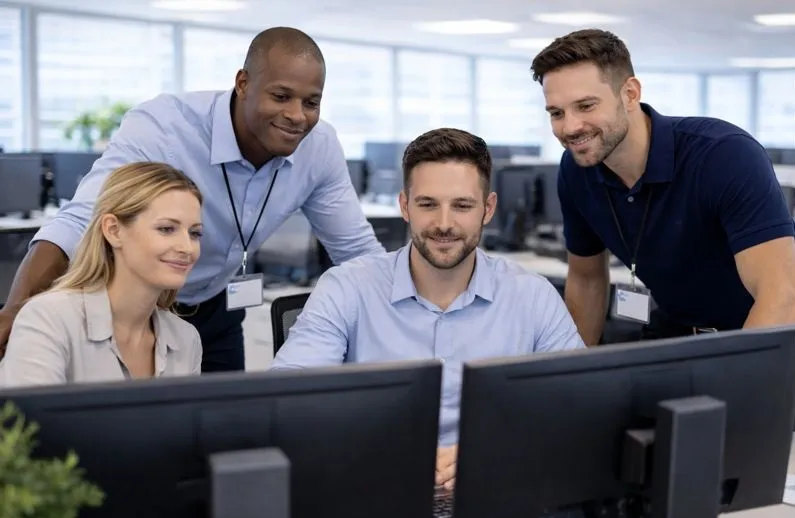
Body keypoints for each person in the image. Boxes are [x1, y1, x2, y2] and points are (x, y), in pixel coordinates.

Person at [0, 27, 383, 371]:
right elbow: (80, 219)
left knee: (218, 432)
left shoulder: (318, 149)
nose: (296, 116)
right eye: (281, 96)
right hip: (128, 309)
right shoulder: (166, 127)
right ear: (244, 83)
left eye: (311, 102)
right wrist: (16, 310)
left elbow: (358, 250)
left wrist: (410, 313)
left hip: (217, 310)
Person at [269, 127, 585, 492]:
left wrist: (487, 452)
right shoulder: (348, 288)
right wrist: (398, 455)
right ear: (405, 206)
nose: (444, 224)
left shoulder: (531, 296)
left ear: (488, 208)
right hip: (372, 485)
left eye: (462, 205)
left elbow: (576, 408)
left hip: (493, 486)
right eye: (428, 204)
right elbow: (286, 403)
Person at [530, 29, 795, 345]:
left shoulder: (723, 154)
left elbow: (782, 293)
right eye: (557, 113)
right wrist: (566, 376)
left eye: (586, 106)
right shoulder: (576, 171)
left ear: (630, 93)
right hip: (676, 337)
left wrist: (732, 376)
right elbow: (586, 279)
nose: (570, 127)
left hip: (762, 339)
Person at [0, 162, 203, 387]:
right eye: (166, 229)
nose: (187, 247)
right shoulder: (49, 320)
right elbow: (27, 422)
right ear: (113, 230)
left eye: (195, 233)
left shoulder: (186, 340)